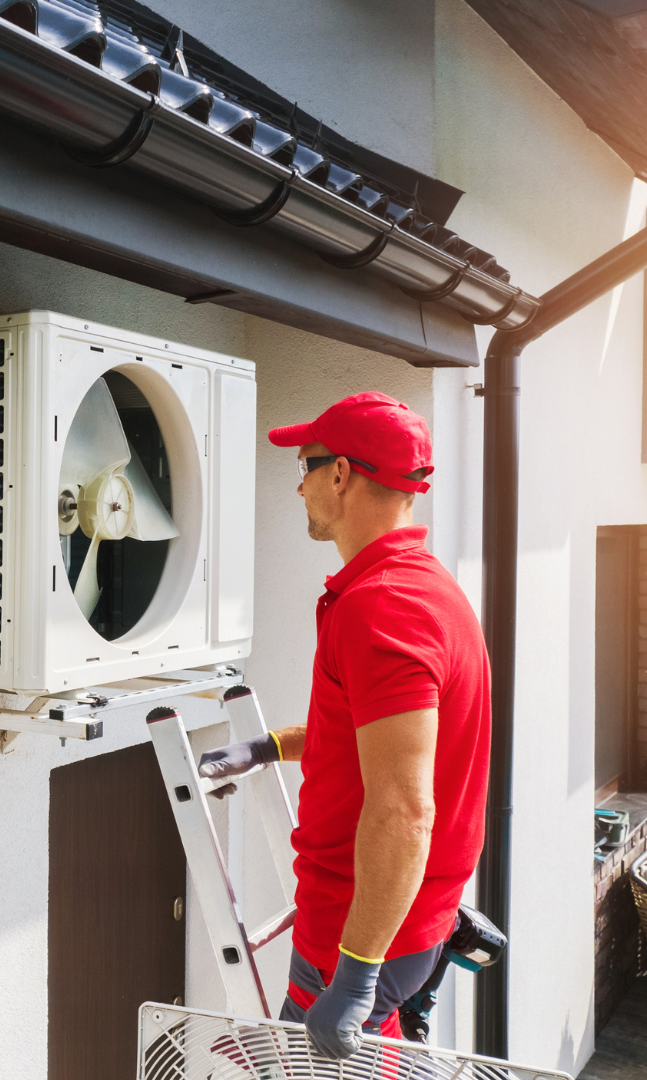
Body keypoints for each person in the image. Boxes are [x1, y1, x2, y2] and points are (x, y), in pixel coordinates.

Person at [199, 392, 491, 1060]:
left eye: (305, 466)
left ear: (341, 474)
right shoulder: (418, 589)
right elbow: (373, 738)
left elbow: (405, 809)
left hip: (359, 933)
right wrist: (266, 747)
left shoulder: (384, 608)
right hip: (389, 923)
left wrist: (356, 975)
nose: (298, 485)